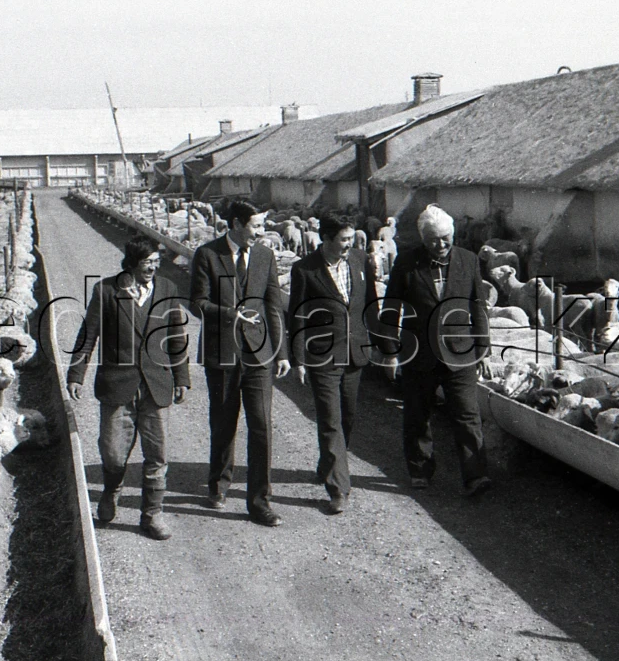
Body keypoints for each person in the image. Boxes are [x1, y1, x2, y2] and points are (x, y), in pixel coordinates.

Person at [66, 234, 190, 541]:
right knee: (113, 453)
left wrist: (182, 378)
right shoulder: (107, 290)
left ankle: (152, 515)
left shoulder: (167, 290)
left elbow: (176, 338)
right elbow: (88, 334)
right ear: (132, 263)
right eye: (147, 262)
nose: (152, 268)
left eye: (156, 262)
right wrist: (76, 373)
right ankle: (112, 489)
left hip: (156, 385)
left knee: (157, 454)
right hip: (118, 385)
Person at [376, 204, 493, 495]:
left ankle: (475, 476)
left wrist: (483, 349)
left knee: (467, 414)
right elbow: (391, 308)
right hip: (419, 352)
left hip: (460, 351)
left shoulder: (468, 260)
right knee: (417, 413)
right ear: (422, 238)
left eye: (445, 238)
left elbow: (478, 306)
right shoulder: (407, 263)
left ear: (452, 234)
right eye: (432, 239)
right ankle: (420, 470)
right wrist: (389, 351)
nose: (440, 245)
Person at [190, 199, 291, 527]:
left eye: (262, 226)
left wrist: (283, 352)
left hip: (259, 354)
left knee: (261, 425)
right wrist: (230, 314)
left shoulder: (265, 255)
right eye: (255, 226)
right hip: (223, 353)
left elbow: (274, 305)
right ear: (235, 224)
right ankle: (218, 483)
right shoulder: (207, 254)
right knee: (223, 422)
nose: (261, 233)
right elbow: (198, 303)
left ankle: (260, 501)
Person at [288, 210, 378, 514]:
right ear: (325, 238)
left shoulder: (359, 260)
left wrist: (379, 343)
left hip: (355, 351)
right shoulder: (304, 270)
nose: (348, 245)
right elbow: (297, 316)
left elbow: (370, 304)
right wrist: (297, 357)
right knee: (330, 420)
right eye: (343, 239)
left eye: (351, 239)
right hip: (322, 356)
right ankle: (339, 488)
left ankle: (329, 463)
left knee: (347, 417)